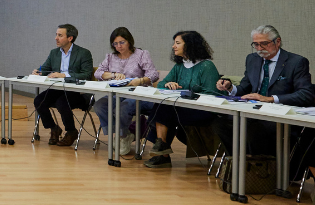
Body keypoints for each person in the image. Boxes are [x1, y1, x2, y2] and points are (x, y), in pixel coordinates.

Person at [213, 25, 313, 159]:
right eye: (256, 44)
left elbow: (305, 94)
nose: (259, 49)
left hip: (278, 115)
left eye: (264, 44)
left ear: (277, 42)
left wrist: (271, 99)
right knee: (219, 123)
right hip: (254, 111)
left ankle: (263, 171)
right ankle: (240, 164)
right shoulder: (252, 59)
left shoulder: (296, 62)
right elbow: (245, 88)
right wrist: (230, 87)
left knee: (253, 129)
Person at [143, 31, 221, 169]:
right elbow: (161, 84)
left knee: (164, 109)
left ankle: (163, 153)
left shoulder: (206, 66)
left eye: (177, 43)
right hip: (182, 108)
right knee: (164, 107)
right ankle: (162, 146)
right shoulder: (180, 66)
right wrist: (168, 85)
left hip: (203, 110)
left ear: (190, 45)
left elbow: (211, 94)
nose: (173, 46)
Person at [93, 27, 161, 157]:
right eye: (115, 43)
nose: (119, 46)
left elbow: (153, 74)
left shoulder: (141, 54)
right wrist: (113, 75)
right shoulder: (110, 57)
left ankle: (122, 135)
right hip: (117, 93)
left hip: (139, 94)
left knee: (123, 108)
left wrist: (140, 80)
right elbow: (98, 73)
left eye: (122, 42)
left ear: (129, 41)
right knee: (100, 106)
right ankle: (122, 134)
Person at [31, 24, 95, 148]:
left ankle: (71, 131)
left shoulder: (83, 53)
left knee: (62, 102)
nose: (56, 38)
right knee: (39, 100)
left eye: (60, 35)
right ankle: (54, 128)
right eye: (56, 35)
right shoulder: (54, 53)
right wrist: (38, 72)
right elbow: (45, 68)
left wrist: (64, 75)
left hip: (77, 92)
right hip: (58, 89)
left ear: (70, 38)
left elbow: (86, 74)